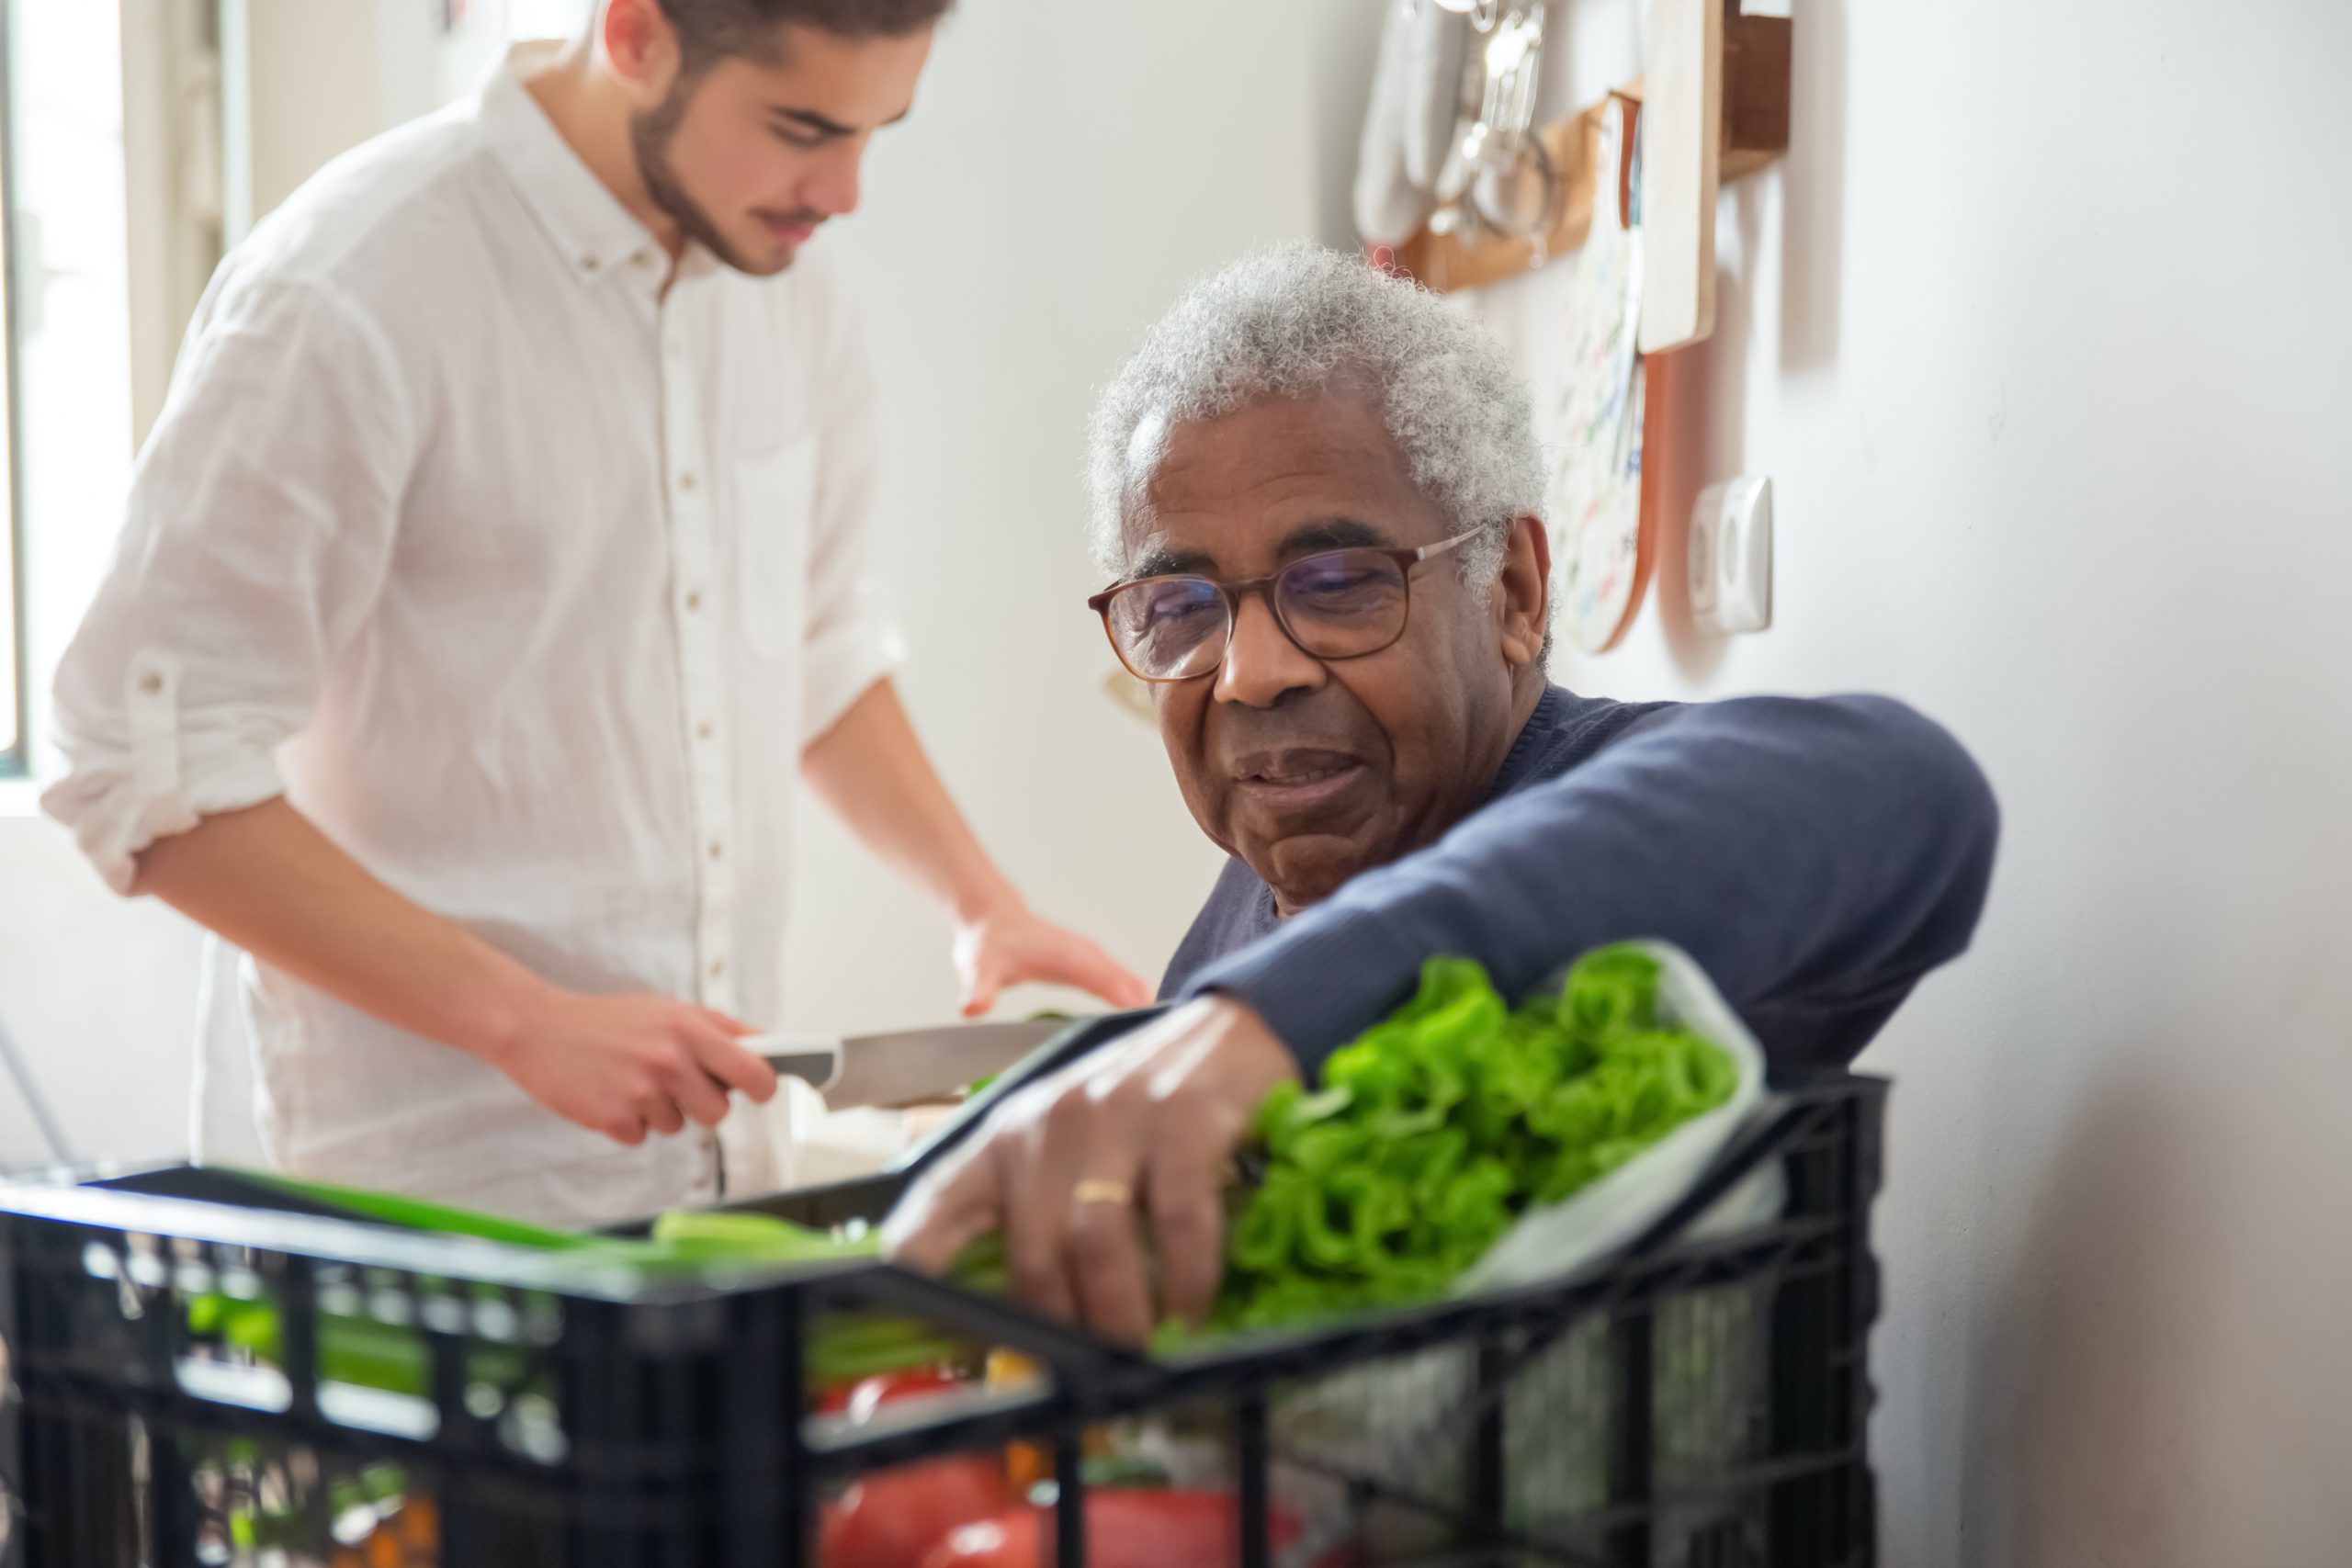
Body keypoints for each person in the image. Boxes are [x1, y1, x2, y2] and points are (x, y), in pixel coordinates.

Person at [41, 0, 1147, 1225]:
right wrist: (528, 1020)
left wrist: (981, 905)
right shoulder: (348, 288)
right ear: (635, 35)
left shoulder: (788, 282)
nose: (842, 192)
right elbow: (141, 769)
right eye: (801, 128)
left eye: (876, 132)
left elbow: (814, 644)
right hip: (416, 1205)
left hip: (721, 1181)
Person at [887, 244, 1999, 1343]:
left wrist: (1281, 1017)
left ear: (1511, 591)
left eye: (1337, 585)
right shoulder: (1243, 913)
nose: (1251, 672)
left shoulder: (1630, 824)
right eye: (1180, 608)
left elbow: (1909, 789)